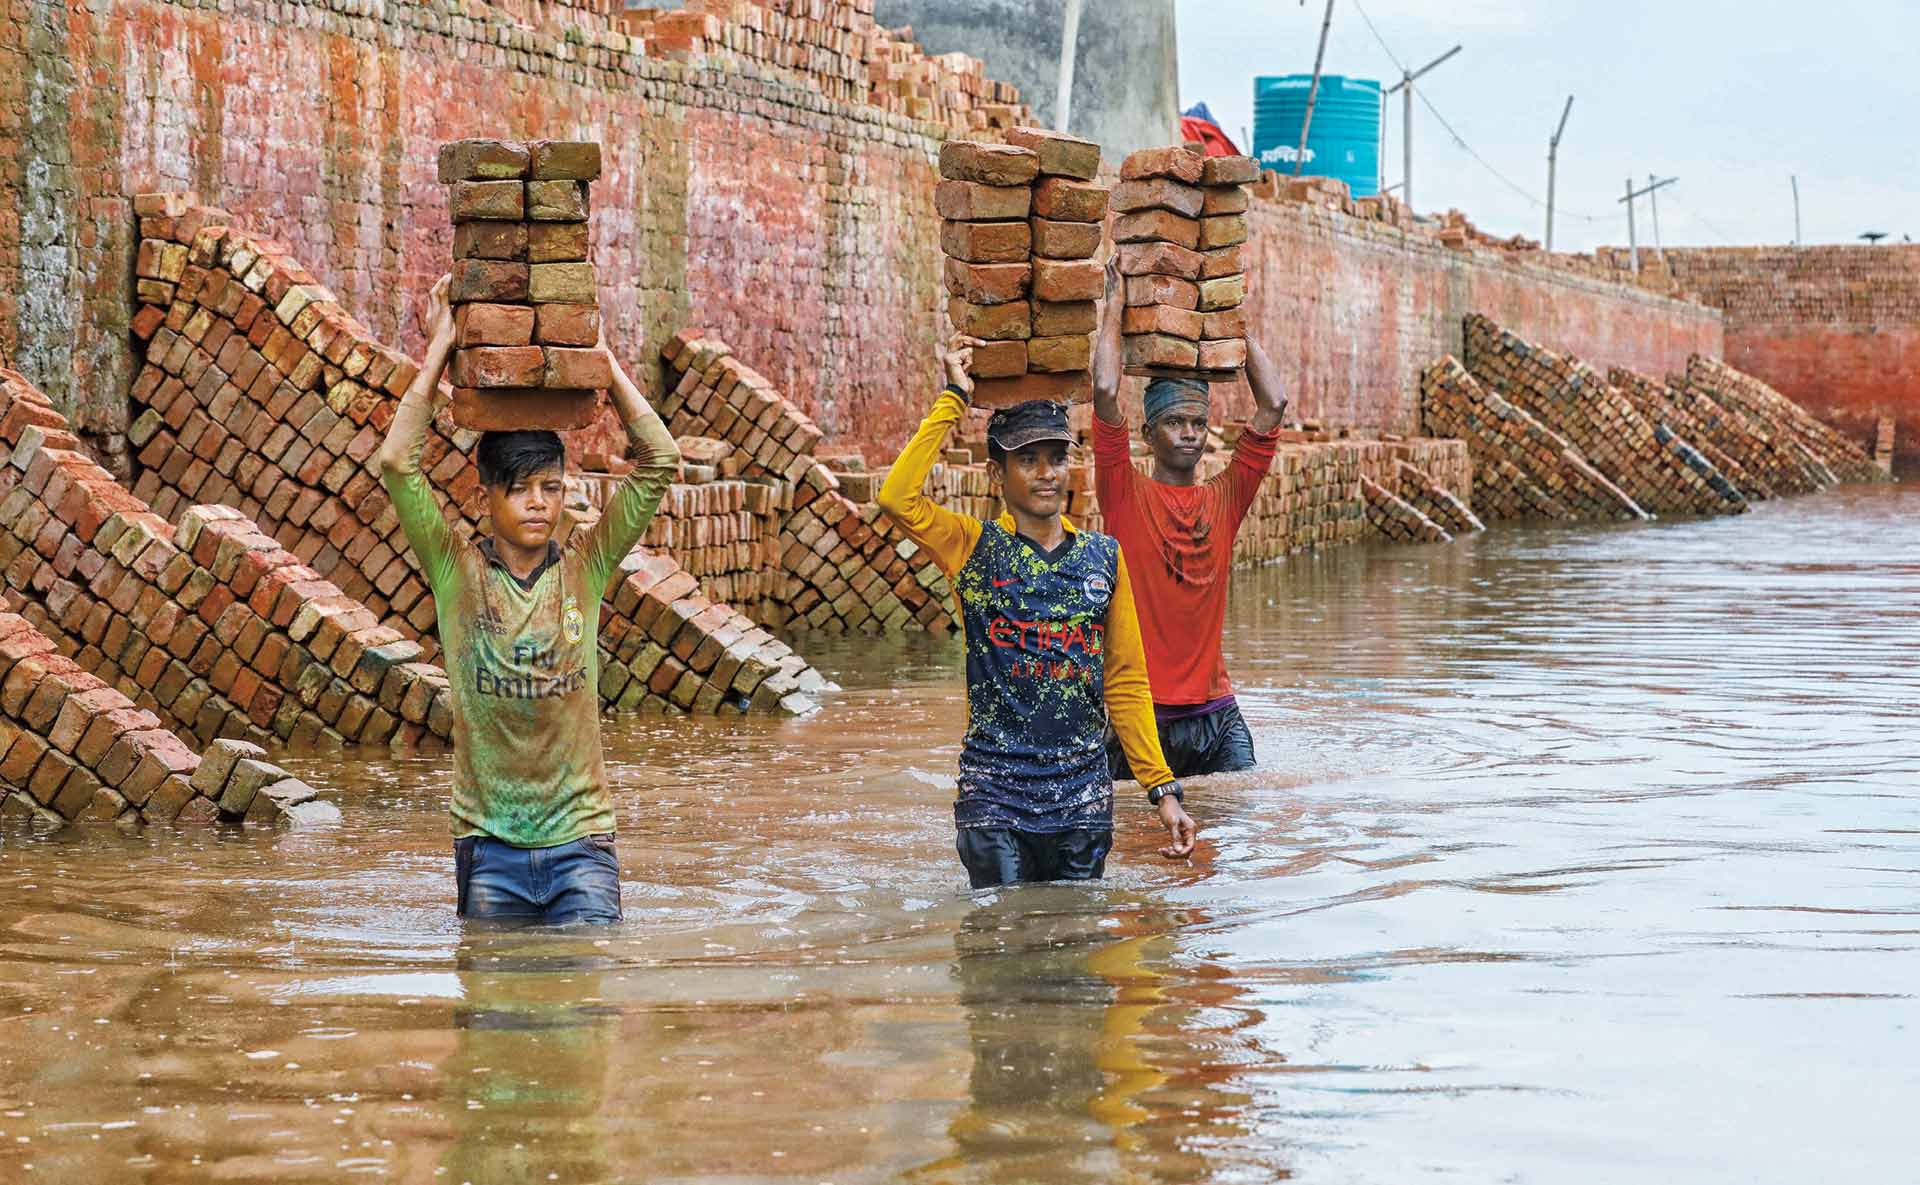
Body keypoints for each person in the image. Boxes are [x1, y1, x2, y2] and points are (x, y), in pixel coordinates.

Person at [376, 275, 681, 924]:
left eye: (550, 487)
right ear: (486, 494)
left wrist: (603, 363)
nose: (538, 503)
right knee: (490, 989)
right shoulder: (457, 573)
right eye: (519, 489)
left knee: (589, 984)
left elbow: (659, 460)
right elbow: (399, 463)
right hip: (490, 847)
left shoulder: (585, 568)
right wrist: (439, 350)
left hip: (582, 844)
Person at [876, 334, 1197, 889]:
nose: (1047, 473)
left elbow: (1125, 680)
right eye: (1027, 460)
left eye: (1056, 458)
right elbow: (896, 497)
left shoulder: (1103, 558)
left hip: (1082, 795)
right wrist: (953, 398)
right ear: (996, 475)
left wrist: (1162, 789)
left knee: (1077, 934)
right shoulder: (972, 548)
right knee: (1001, 930)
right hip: (994, 792)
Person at [1090, 265, 1288, 779]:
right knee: (1131, 829)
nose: (1190, 434)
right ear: (1148, 434)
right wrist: (1114, 308)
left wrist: (1231, 326)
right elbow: (1106, 390)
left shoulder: (1226, 497)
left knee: (1243, 811)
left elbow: (1274, 403)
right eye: (1175, 422)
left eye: (1198, 423)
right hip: (1143, 715)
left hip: (1216, 714)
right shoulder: (1123, 493)